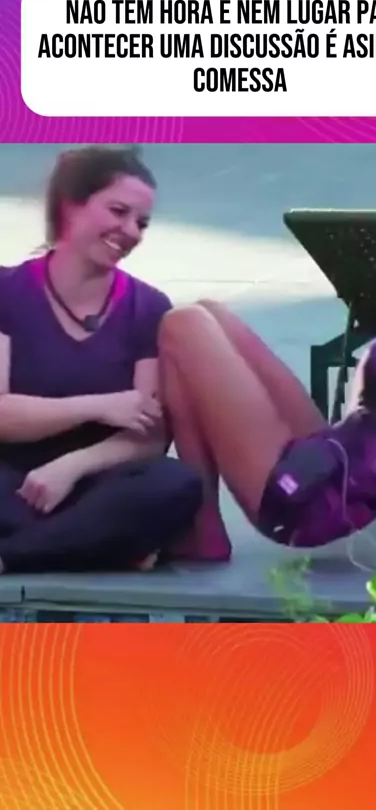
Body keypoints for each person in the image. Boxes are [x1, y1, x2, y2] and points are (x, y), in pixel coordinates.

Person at [158, 164, 376, 580]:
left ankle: (201, 530)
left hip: (310, 502)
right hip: (330, 458)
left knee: (182, 325)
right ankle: (202, 527)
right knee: (209, 313)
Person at [0, 145, 205, 575]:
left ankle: (14, 555)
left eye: (142, 223)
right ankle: (97, 546)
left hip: (96, 483)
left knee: (175, 483)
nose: (130, 231)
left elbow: (148, 436)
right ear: (71, 205)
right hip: (10, 480)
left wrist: (70, 467)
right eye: (118, 212)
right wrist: (99, 405)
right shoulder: (7, 290)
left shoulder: (148, 306)